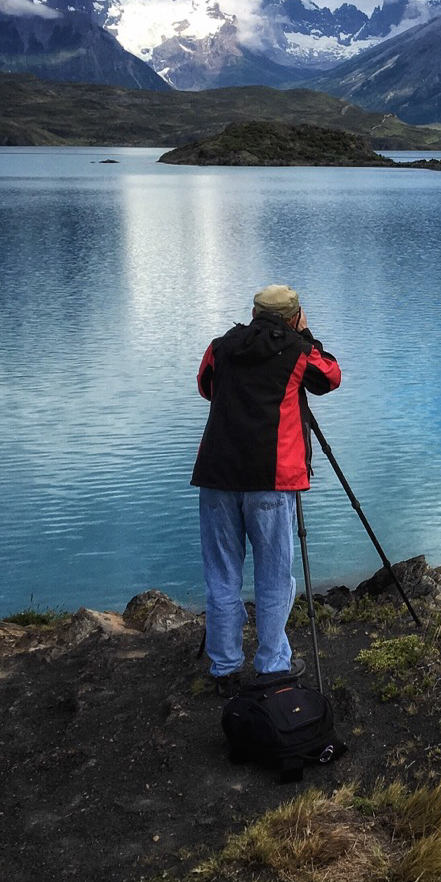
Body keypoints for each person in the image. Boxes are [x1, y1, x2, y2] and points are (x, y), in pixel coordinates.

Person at [191, 283, 341, 695]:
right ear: (294, 316)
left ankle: (224, 668)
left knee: (222, 576)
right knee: (274, 577)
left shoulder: (221, 346)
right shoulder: (297, 351)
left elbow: (206, 388)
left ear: (254, 314)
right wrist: (306, 336)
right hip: (272, 480)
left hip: (218, 476)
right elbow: (330, 377)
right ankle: (273, 665)